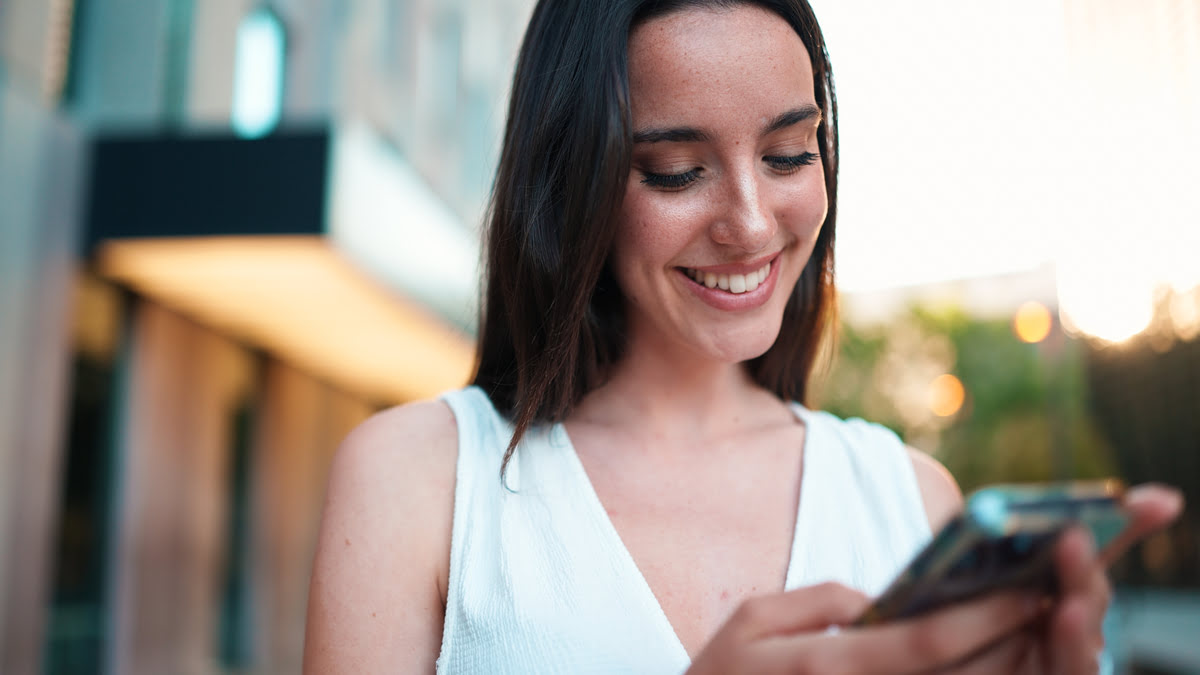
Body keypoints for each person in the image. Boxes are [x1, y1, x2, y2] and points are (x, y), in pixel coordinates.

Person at [303, 0, 1183, 672]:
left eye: (791, 154)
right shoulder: (417, 481)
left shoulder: (908, 497)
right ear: (575, 185)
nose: (753, 224)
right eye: (676, 171)